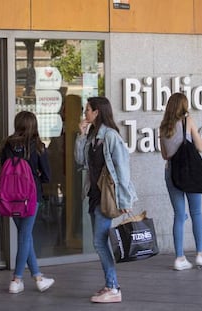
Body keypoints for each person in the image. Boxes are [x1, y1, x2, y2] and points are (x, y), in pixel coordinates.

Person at [74, 97, 137, 303]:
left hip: (107, 197)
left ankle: (113, 286)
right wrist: (81, 135)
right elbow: (80, 160)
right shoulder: (93, 136)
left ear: (97, 112)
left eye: (88, 110)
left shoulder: (111, 136)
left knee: (99, 242)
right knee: (99, 241)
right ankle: (110, 284)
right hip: (94, 196)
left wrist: (125, 200)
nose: (85, 113)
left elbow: (122, 169)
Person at [0, 111, 55, 294]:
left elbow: (3, 168)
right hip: (30, 197)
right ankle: (16, 279)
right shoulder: (38, 146)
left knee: (25, 236)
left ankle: (38, 278)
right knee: (25, 236)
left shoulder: (7, 144)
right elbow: (47, 176)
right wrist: (36, 174)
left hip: (10, 198)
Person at [159, 92, 202, 271]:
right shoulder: (187, 121)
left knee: (179, 215)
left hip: (172, 173)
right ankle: (200, 254)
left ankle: (179, 258)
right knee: (196, 212)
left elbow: (165, 155)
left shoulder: (163, 126)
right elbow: (200, 146)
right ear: (184, 105)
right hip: (189, 173)